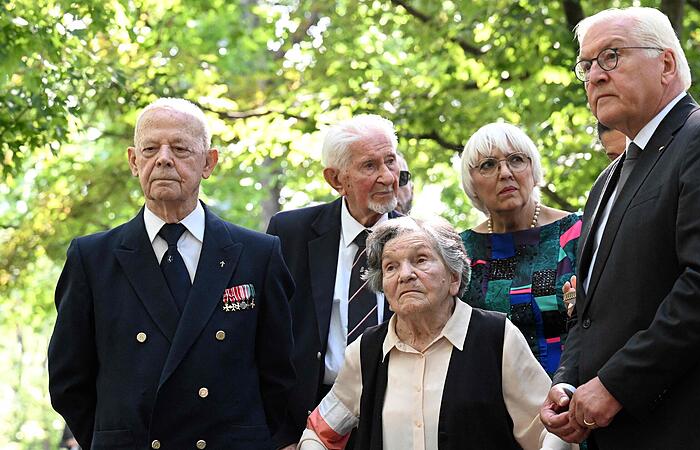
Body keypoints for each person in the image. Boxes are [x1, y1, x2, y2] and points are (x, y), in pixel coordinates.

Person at [541, 7, 700, 449]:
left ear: (667, 64)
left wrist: (616, 384)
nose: (594, 75)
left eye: (611, 56)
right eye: (586, 65)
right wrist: (569, 383)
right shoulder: (607, 183)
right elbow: (589, 311)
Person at [48, 98, 296, 450]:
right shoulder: (91, 259)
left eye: (180, 148)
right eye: (151, 149)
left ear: (209, 162)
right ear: (134, 162)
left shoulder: (259, 255)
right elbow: (68, 379)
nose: (163, 158)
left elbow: (280, 374)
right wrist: (111, 438)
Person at [296, 217, 568, 450]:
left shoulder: (497, 338)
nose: (405, 275)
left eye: (421, 259)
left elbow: (549, 429)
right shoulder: (365, 352)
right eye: (391, 266)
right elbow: (319, 433)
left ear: (454, 278)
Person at [266, 114, 403, 445]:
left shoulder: (419, 240)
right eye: (369, 166)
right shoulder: (289, 234)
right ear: (336, 179)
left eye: (390, 161)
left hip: (393, 414)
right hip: (306, 419)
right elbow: (266, 339)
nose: (387, 176)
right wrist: (280, 436)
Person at [458, 122, 582, 377]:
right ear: (471, 182)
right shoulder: (460, 251)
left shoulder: (578, 232)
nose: (505, 173)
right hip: (490, 399)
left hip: (570, 392)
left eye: (516, 160)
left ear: (533, 171)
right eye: (488, 165)